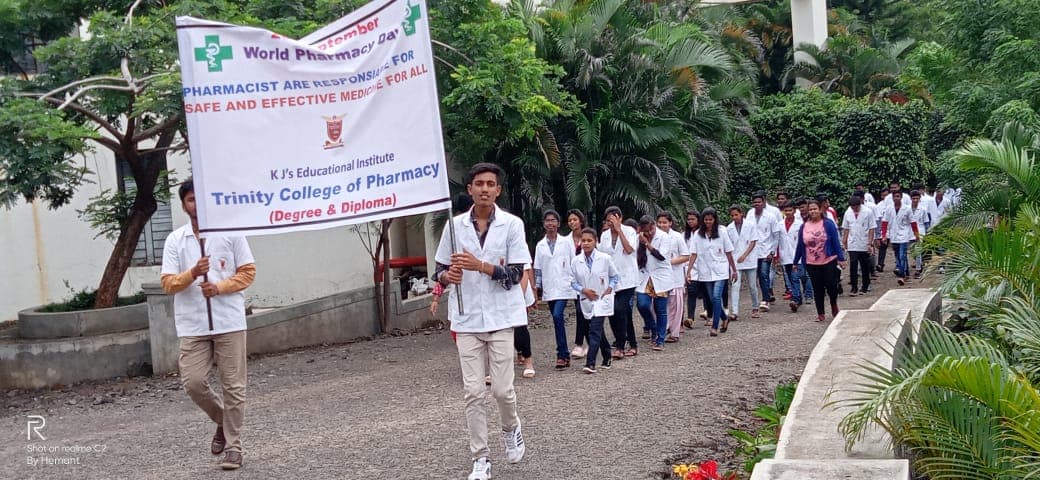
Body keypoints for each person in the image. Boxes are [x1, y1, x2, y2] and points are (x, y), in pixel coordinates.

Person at [433, 163, 529, 480]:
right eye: (479, 183)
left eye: (490, 184)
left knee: (502, 390)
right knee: (473, 392)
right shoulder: (454, 226)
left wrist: (481, 266)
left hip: (501, 316)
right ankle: (481, 458)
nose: (484, 189)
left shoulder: (512, 225)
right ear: (470, 189)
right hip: (467, 318)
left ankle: (511, 427)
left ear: (498, 190)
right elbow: (438, 271)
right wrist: (448, 276)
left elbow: (516, 274)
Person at [160, 178, 256, 470]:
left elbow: (248, 272)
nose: (196, 205)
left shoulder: (231, 233)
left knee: (234, 387)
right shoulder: (175, 240)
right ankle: (222, 421)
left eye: (199, 199)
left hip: (229, 320)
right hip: (194, 325)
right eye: (190, 200)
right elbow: (168, 283)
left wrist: (219, 287)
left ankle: (234, 447)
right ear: (183, 205)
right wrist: (192, 273)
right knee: (193, 382)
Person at [570, 227, 619, 374]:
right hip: (585, 298)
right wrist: (583, 290)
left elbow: (615, 276)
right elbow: (572, 281)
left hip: (601, 299)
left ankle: (590, 363)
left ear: (595, 241)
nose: (586, 243)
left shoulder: (605, 258)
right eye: (583, 240)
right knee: (594, 330)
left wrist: (609, 288)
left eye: (589, 240)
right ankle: (607, 354)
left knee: (594, 330)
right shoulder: (576, 261)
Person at [534, 209, 576, 369]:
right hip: (549, 287)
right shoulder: (540, 245)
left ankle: (562, 354)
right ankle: (564, 355)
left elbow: (574, 262)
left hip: (564, 285)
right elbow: (538, 269)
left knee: (558, 316)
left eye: (553, 220)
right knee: (556, 319)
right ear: (544, 224)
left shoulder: (566, 242)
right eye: (547, 220)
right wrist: (537, 290)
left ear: (558, 223)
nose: (550, 223)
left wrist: (576, 283)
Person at [793, 200, 847, 322]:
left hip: (828, 260)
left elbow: (835, 242)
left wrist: (841, 258)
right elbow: (800, 245)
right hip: (811, 262)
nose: (812, 211)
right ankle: (820, 313)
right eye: (810, 209)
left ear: (820, 210)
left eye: (815, 209)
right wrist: (795, 261)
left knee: (831, 285)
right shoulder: (804, 226)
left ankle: (833, 304)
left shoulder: (828, 224)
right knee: (817, 288)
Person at [688, 208, 737, 336]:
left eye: (710, 219)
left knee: (716, 297)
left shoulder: (722, 232)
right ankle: (724, 318)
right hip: (705, 271)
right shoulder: (698, 234)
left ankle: (714, 326)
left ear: (715, 220)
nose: (708, 222)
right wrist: (688, 271)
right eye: (706, 220)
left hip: (721, 270)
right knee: (712, 299)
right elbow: (693, 254)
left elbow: (729, 252)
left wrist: (734, 270)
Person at [599, 206, 640, 359]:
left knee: (620, 309)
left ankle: (620, 346)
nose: (611, 223)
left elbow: (629, 249)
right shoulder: (604, 235)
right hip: (611, 280)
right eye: (608, 220)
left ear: (620, 218)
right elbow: (602, 256)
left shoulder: (629, 231)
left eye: (613, 219)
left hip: (628, 279)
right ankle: (632, 343)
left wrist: (619, 231)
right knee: (617, 312)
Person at [634, 215, 675, 350]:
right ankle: (653, 327)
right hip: (645, 276)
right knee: (642, 305)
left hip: (661, 276)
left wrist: (647, 243)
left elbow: (661, 256)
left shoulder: (664, 237)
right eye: (646, 231)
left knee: (660, 309)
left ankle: (660, 340)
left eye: (651, 230)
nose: (649, 233)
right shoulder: (638, 238)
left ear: (654, 226)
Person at [657, 212, 690, 342]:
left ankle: (674, 333)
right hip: (659, 277)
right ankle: (661, 331)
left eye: (664, 222)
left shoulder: (677, 237)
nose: (662, 225)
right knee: (659, 306)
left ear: (670, 223)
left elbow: (686, 256)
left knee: (675, 306)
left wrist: (669, 262)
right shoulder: (654, 237)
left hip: (675, 276)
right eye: (659, 222)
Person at [726, 205, 761, 319]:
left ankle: (755, 307)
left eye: (736, 214)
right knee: (735, 285)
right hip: (736, 260)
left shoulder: (750, 225)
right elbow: (728, 245)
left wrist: (744, 255)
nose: (734, 217)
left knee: (752, 286)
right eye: (732, 215)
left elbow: (753, 242)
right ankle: (735, 312)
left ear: (741, 214)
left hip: (749, 259)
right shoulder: (729, 228)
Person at [565, 209, 591, 358]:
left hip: (588, 280)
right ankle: (580, 344)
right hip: (574, 282)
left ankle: (585, 343)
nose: (572, 222)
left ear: (581, 221)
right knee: (580, 311)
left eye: (575, 219)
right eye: (570, 220)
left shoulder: (589, 237)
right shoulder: (565, 241)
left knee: (587, 312)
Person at [880, 190, 920, 286]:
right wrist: (884, 235)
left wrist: (917, 235)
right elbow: (884, 223)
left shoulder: (907, 209)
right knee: (898, 256)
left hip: (904, 235)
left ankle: (901, 276)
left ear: (901, 197)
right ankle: (906, 273)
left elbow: (913, 223)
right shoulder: (889, 209)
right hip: (894, 235)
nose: (896, 198)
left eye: (898, 196)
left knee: (902, 255)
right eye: (894, 197)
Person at [750, 192, 782, 310]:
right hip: (753, 251)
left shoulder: (770, 216)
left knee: (764, 274)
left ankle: (765, 300)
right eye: (755, 202)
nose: (757, 204)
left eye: (759, 202)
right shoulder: (749, 214)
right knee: (758, 276)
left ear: (763, 202)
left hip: (766, 251)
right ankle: (764, 296)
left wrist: (772, 252)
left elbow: (776, 235)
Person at [842, 195, 876, 296]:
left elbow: (871, 228)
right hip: (852, 242)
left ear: (859, 205)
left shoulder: (868, 212)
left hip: (864, 242)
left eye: (856, 207)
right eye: (852, 207)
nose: (854, 209)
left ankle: (865, 285)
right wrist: (844, 242)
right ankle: (854, 287)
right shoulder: (848, 212)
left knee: (864, 265)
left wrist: (870, 243)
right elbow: (846, 228)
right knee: (853, 265)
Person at [777, 201, 805, 311]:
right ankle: (798, 298)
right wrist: (776, 255)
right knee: (789, 277)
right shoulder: (780, 224)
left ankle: (795, 299)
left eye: (790, 210)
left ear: (794, 211)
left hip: (797, 255)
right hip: (785, 254)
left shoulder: (800, 224)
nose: (788, 212)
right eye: (786, 210)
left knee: (795, 277)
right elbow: (777, 240)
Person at [515, 265, 536, 379]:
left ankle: (528, 362)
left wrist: (519, 296)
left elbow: (525, 271)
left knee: (520, 328)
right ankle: (494, 368)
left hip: (516, 290)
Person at [908, 190, 930, 278]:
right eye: (914, 198)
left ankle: (918, 269)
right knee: (912, 250)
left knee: (918, 251)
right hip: (909, 231)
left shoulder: (923, 209)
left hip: (920, 231)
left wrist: (927, 232)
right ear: (911, 199)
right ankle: (920, 264)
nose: (915, 200)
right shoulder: (907, 209)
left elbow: (926, 222)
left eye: (917, 198)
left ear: (919, 199)